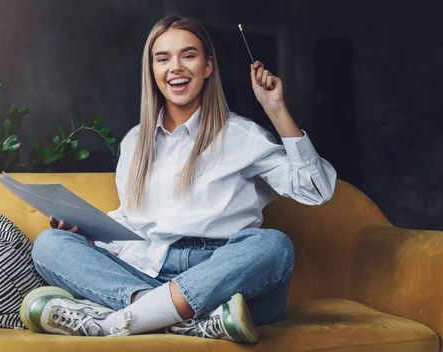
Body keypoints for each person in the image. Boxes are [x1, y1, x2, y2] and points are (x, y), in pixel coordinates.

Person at [20, 15, 337, 344]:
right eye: (163, 58)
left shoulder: (243, 136)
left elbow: (318, 190)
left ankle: (126, 318)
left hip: (223, 276)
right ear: (152, 70)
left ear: (208, 66)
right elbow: (133, 221)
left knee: (272, 246)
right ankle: (177, 317)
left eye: (188, 55)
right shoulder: (135, 142)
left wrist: (277, 109)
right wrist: (87, 233)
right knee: (51, 245)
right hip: (148, 271)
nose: (176, 67)